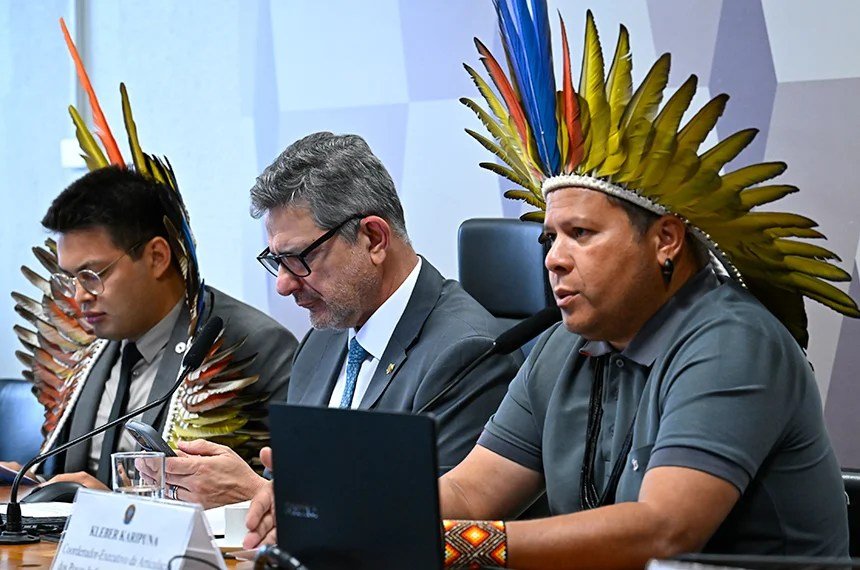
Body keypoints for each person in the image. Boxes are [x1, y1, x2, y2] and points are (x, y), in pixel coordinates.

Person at [246, 4, 858, 566]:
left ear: (666, 239)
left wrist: (457, 548)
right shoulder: (564, 346)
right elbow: (470, 492)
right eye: (549, 238)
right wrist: (331, 503)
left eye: (581, 234)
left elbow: (664, 531)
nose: (555, 260)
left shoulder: (732, 341)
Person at [236, 131, 523, 547]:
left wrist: (255, 492)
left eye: (299, 258)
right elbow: (282, 492)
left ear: (373, 239)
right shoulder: (319, 343)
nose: (283, 284)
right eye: (276, 260)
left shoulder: (467, 353)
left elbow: (434, 533)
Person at [3, 166, 297, 508]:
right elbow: (72, 476)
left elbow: (284, 497)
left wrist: (113, 507)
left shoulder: (253, 346)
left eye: (92, 275)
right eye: (71, 278)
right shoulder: (95, 343)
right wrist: (34, 484)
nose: (80, 295)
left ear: (157, 257)